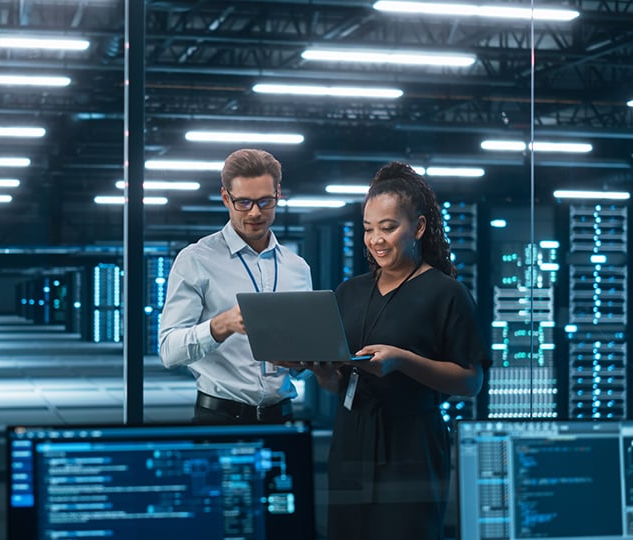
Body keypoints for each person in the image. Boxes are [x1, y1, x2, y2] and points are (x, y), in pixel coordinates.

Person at [309, 162, 491, 540]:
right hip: (350, 443)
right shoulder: (349, 292)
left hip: (411, 448)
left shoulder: (447, 293)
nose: (376, 239)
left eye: (388, 228)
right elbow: (339, 384)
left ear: (418, 228)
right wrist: (322, 371)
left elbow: (471, 381)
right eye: (368, 228)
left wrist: (402, 361)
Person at [158, 148, 313, 424]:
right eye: (243, 202)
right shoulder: (196, 259)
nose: (255, 212)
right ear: (225, 198)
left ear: (278, 193)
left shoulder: (297, 268)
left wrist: (305, 362)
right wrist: (222, 325)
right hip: (219, 418)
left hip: (282, 417)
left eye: (265, 202)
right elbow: (169, 351)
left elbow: (303, 363)